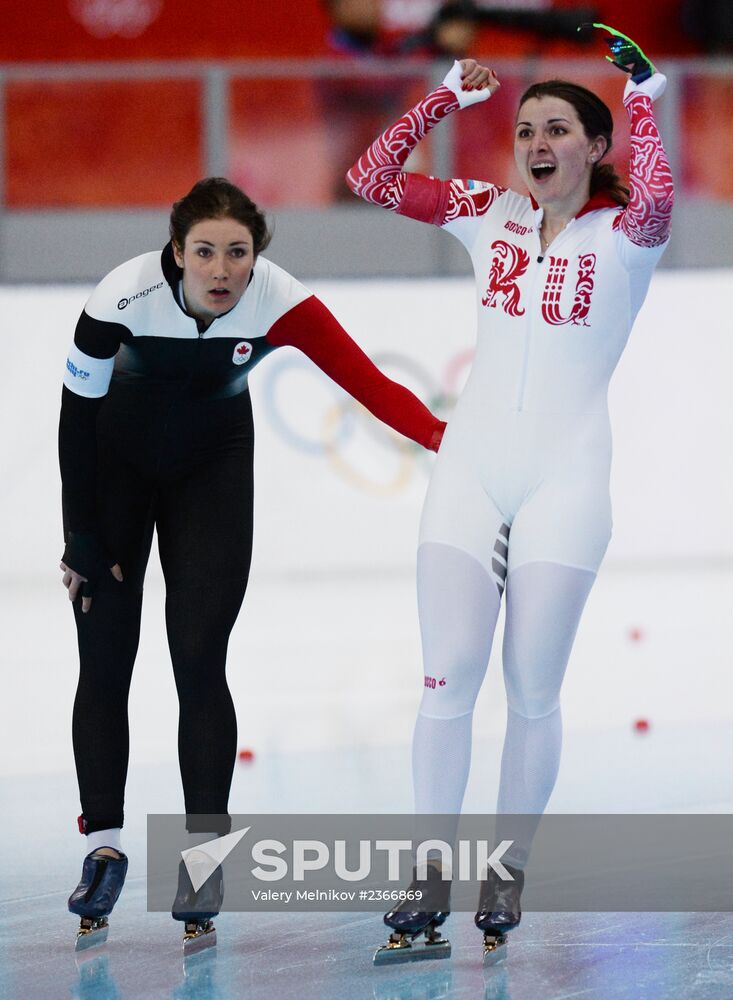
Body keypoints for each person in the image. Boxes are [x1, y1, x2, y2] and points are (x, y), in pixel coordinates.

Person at [348, 31, 673, 962]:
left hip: (566, 479)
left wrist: (642, 90)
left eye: (559, 129)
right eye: (526, 127)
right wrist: (445, 95)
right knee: (446, 677)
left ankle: (504, 874)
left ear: (593, 148)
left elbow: (657, 192)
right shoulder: (484, 210)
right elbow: (371, 177)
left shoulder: (629, 236)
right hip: (469, 470)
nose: (536, 140)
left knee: (531, 688)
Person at [60, 177, 446, 950]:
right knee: (106, 663)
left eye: (237, 253)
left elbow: (370, 388)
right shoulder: (121, 296)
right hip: (114, 473)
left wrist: (451, 443)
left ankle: (202, 860)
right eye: (204, 251)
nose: (221, 269)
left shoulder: (280, 299)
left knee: (200, 661)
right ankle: (102, 848)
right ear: (176, 253)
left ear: (256, 258)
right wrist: (81, 542)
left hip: (215, 469)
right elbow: (76, 419)